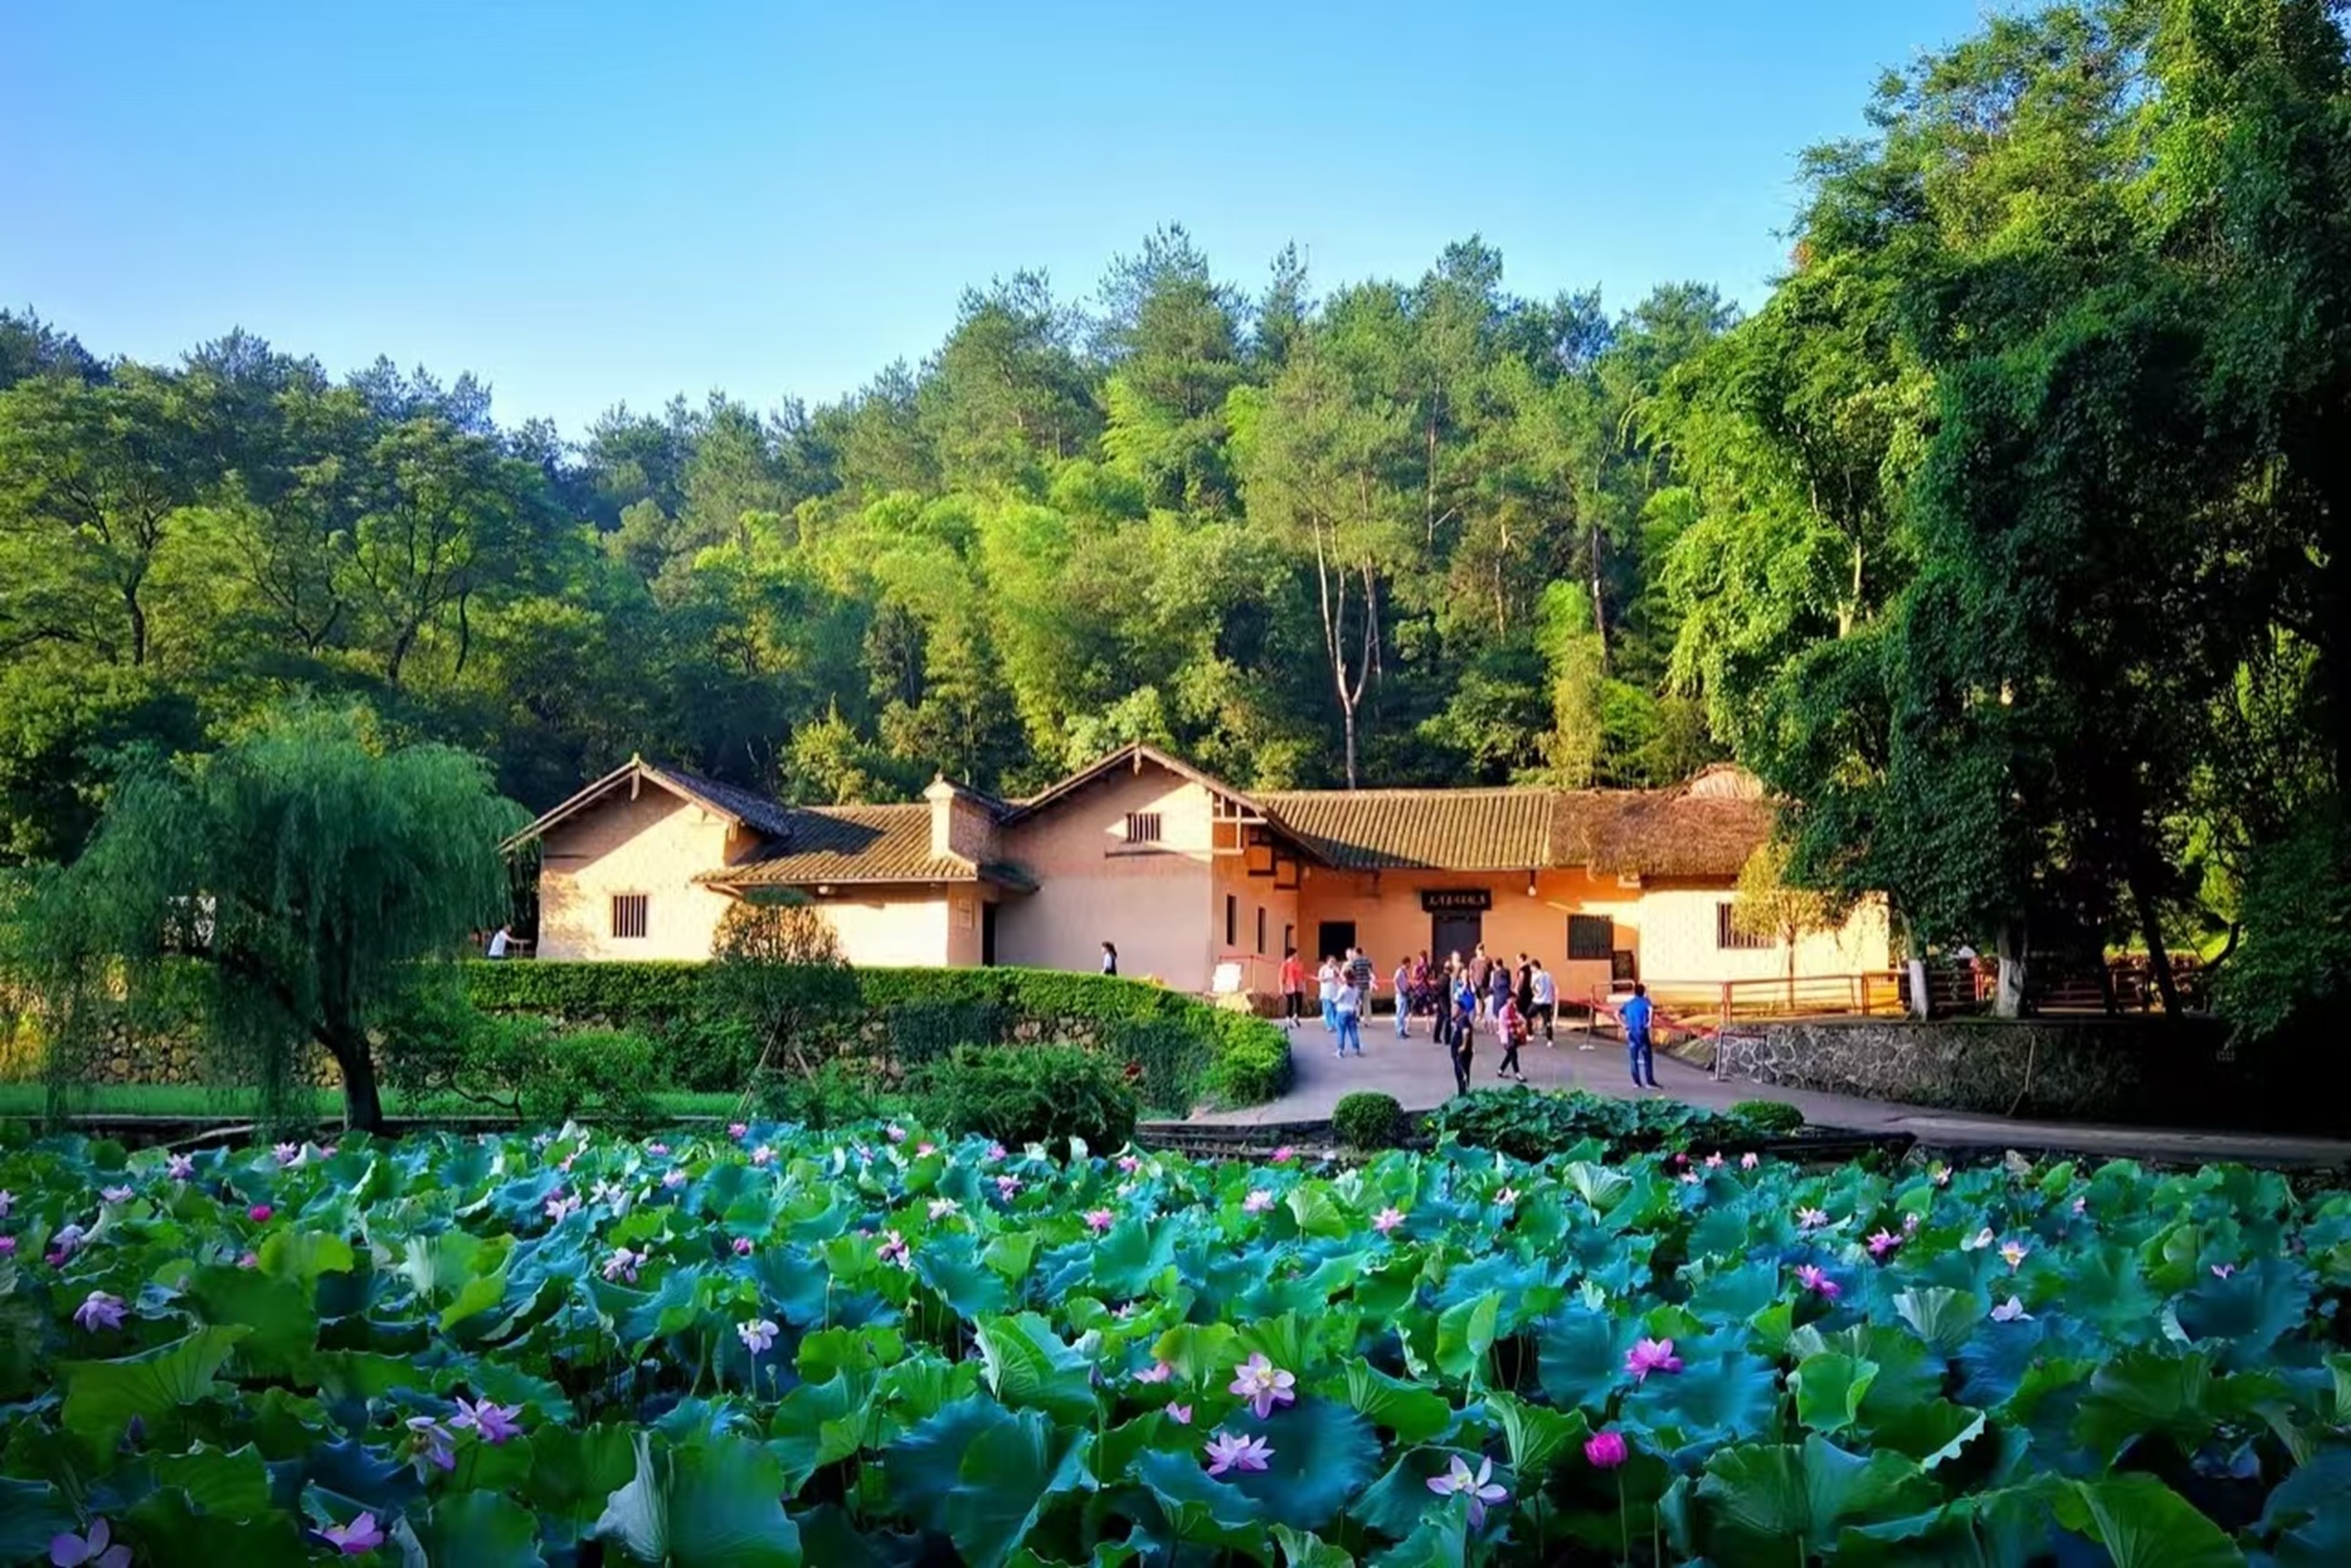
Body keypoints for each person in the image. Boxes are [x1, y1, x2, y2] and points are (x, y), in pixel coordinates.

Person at [1621, 982, 1661, 1090]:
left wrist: (1623, 1024)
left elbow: (1617, 1013)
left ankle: (1636, 1082)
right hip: (1642, 1031)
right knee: (1647, 1056)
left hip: (1631, 1032)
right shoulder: (1645, 1002)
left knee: (1633, 1058)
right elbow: (1651, 1010)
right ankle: (1649, 1081)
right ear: (1643, 992)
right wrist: (1649, 1023)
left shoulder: (1628, 1003)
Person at [1448, 983, 1477, 1094]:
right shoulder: (1458, 1019)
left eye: (1454, 1008)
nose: (1452, 1010)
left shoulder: (1462, 1019)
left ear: (1460, 1009)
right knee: (1460, 1074)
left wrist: (1464, 1045)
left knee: (1462, 1075)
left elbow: (1466, 1031)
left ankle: (1463, 1095)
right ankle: (1463, 1092)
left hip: (1462, 1054)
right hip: (1458, 1053)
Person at [1495, 991, 1526, 1082]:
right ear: (1508, 999)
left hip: (1514, 1034)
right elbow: (1502, 1023)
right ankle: (1517, 1074)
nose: (1513, 1001)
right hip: (1507, 1035)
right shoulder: (1503, 1010)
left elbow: (1519, 1016)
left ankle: (1500, 1070)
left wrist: (1521, 1020)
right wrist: (1514, 1021)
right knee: (1513, 1055)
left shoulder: (1514, 1008)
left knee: (1510, 1055)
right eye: (1512, 999)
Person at [1333, 970, 1364, 1058]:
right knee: (1353, 1030)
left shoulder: (1343, 989)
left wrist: (1333, 1000)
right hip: (1352, 1011)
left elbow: (1337, 999)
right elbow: (1358, 1001)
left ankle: (1340, 1050)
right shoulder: (1356, 989)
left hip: (1342, 1011)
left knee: (1341, 1031)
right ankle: (1356, 1049)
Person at [1528, 958, 1556, 1044]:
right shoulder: (1547, 974)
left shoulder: (1535, 976)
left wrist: (1536, 994)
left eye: (1531, 968)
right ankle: (1550, 1039)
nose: (1531, 970)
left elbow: (1533, 987)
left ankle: (1530, 1034)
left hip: (1537, 1001)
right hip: (1547, 1001)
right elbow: (1552, 985)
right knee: (1548, 1021)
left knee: (1528, 1015)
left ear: (1534, 967)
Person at [1278, 947, 1307, 1029]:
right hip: (1289, 986)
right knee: (1290, 1003)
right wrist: (1281, 987)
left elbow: (1303, 975)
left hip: (1299, 985)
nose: (1297, 955)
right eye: (1295, 954)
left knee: (1299, 1003)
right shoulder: (1285, 964)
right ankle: (1288, 1018)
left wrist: (1304, 985)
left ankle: (1296, 1016)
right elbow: (1281, 976)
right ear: (1292, 954)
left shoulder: (1299, 964)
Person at [1318, 956, 1341, 1033]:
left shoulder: (1336, 969)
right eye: (1331, 961)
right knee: (1328, 1009)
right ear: (1327, 961)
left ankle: (1335, 1024)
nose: (1333, 963)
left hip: (1335, 992)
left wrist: (1337, 977)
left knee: (1335, 1009)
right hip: (1326, 992)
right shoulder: (1323, 969)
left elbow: (1339, 978)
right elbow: (1320, 979)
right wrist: (1329, 978)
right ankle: (1329, 1025)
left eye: (1334, 961)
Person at [1392, 954, 1414, 1037]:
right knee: (1400, 1013)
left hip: (1404, 993)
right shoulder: (1400, 971)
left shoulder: (1404, 972)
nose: (1410, 965)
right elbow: (1395, 980)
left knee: (1403, 1013)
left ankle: (1402, 1030)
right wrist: (1399, 989)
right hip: (1401, 994)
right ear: (1406, 963)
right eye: (1409, 963)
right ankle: (1400, 1030)